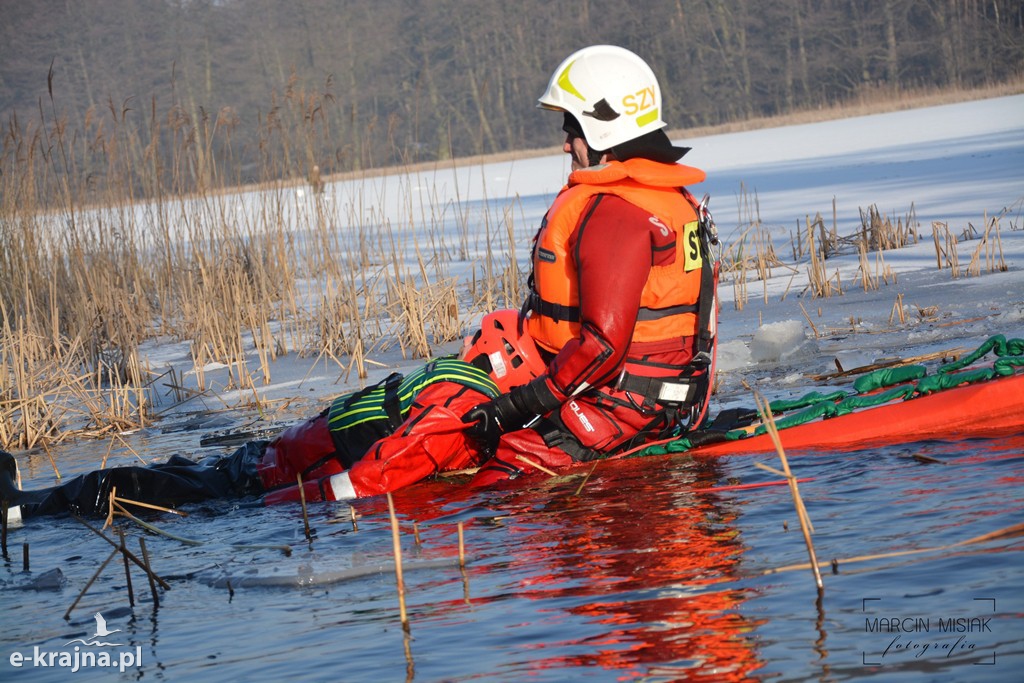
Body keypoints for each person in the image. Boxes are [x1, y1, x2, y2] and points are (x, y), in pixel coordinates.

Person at [463, 45, 720, 486]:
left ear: (603, 130)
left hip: (631, 408)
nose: (566, 143)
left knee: (506, 476)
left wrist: (517, 406)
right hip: (675, 400)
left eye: (572, 129)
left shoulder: (619, 212)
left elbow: (602, 346)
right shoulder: (666, 199)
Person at [1, 310, 546, 518]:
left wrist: (279, 499)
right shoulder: (462, 396)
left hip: (272, 470)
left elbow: (388, 466)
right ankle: (27, 508)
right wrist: (282, 500)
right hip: (274, 472)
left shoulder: (458, 389)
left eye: (474, 336)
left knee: (162, 483)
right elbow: (387, 467)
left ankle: (25, 506)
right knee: (156, 483)